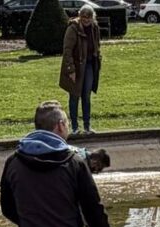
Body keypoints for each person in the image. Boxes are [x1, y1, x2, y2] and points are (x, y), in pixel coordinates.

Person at [59, 5, 102, 135]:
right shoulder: (73, 28)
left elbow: (97, 45)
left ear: (92, 17)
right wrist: (71, 69)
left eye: (88, 18)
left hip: (89, 65)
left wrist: (98, 58)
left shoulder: (94, 28)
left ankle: (87, 127)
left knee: (86, 96)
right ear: (80, 16)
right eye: (83, 17)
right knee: (74, 95)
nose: (86, 20)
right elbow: (67, 50)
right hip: (76, 66)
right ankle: (74, 127)